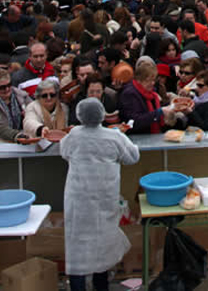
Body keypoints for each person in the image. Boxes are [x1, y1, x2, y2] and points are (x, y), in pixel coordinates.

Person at [60, 98, 140, 291]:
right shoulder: (113, 137)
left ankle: (77, 287)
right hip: (104, 199)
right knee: (102, 245)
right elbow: (133, 157)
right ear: (102, 114)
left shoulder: (73, 136)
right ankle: (101, 286)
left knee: (77, 247)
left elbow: (64, 152)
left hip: (77, 201)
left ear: (80, 116)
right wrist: (122, 137)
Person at [118, 60, 190, 134]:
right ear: (139, 80)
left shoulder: (152, 93)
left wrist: (173, 108)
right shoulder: (130, 94)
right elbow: (133, 121)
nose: (152, 83)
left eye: (153, 80)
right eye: (148, 80)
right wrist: (159, 112)